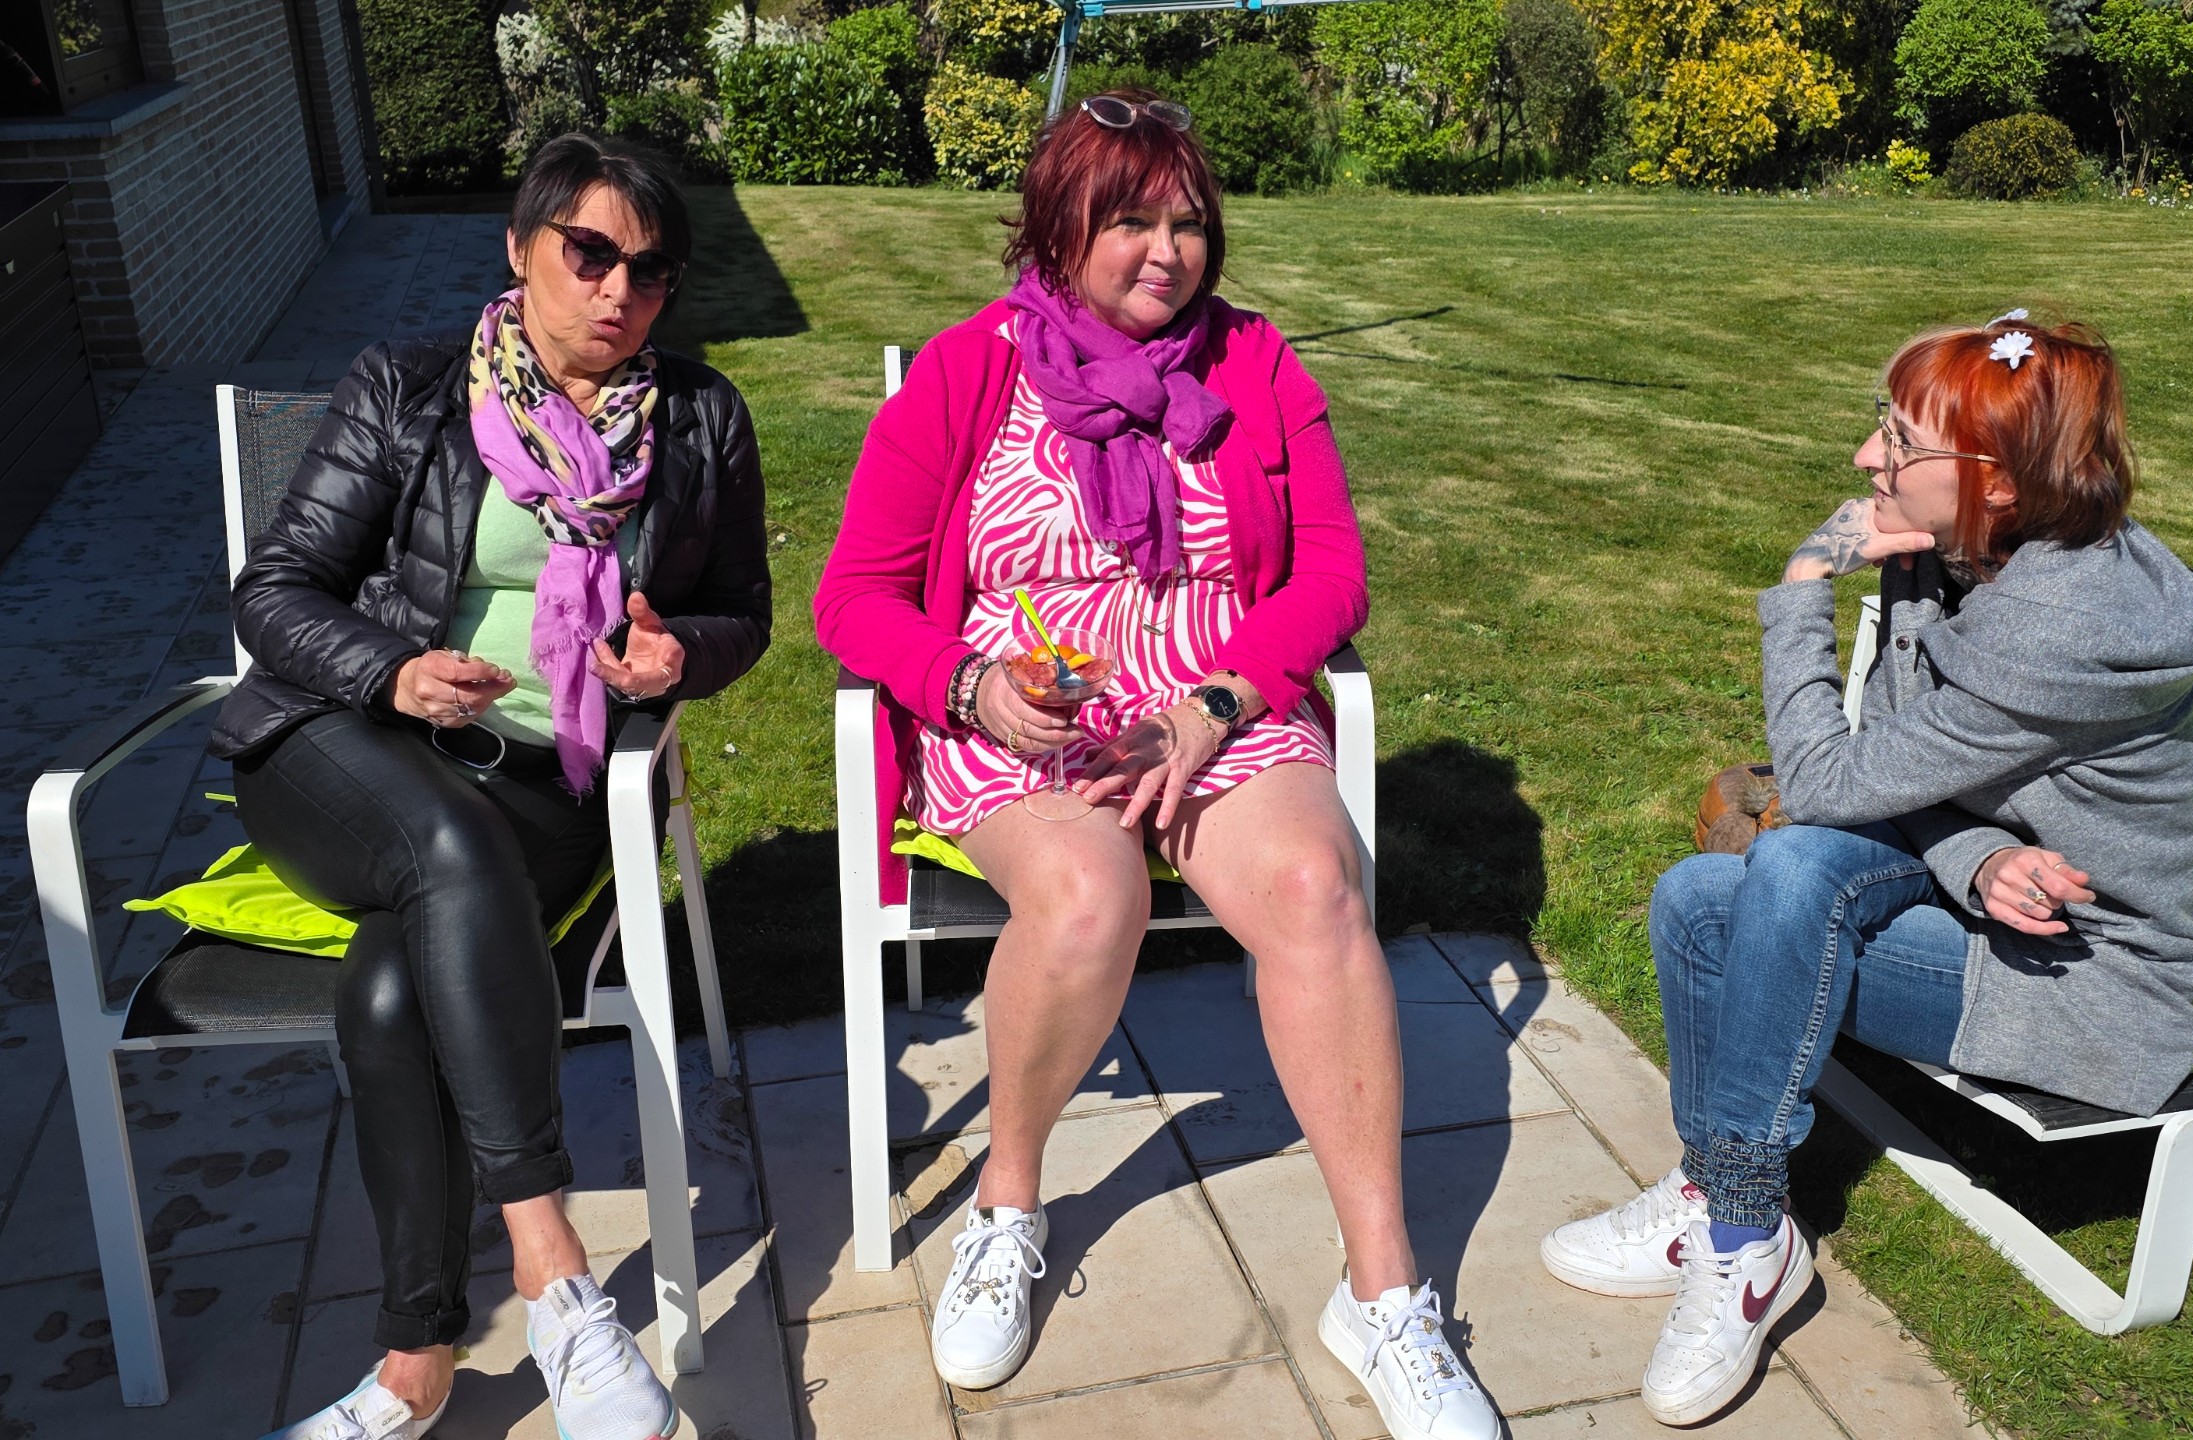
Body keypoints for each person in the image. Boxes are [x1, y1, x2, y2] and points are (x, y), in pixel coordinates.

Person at [814, 92, 1500, 1440]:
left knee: (1314, 886)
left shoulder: (1255, 362)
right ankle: (1010, 1202)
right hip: (1029, 715)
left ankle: (1382, 1290)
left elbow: (1330, 573)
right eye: (1130, 220)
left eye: (1188, 223)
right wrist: (970, 685)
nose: (1167, 252)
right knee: (1088, 896)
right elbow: (856, 597)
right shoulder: (964, 374)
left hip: (1210, 698)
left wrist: (1215, 704)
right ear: (1058, 228)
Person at [1539, 315, 2193, 1427]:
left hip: (2093, 978)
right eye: (1882, 426)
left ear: (1998, 482)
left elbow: (1823, 783)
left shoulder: (2061, 624)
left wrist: (1804, 578)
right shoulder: (1964, 550)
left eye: (1901, 443)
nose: (1868, 460)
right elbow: (1903, 777)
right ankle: (1720, 1194)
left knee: (1785, 864)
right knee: (1696, 898)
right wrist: (1978, 856)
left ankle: (1741, 1228)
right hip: (1991, 913)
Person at [215, 135, 771, 1440]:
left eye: (651, 270)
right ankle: (556, 1275)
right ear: (521, 249)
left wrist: (680, 656)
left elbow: (744, 613)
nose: (619, 289)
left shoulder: (699, 418)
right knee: (449, 852)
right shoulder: (408, 388)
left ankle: (413, 1367)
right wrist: (394, 672)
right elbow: (275, 592)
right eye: (589, 252)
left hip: (541, 780)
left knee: (391, 991)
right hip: (340, 749)